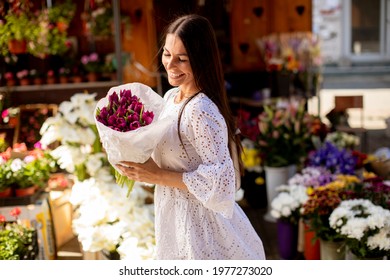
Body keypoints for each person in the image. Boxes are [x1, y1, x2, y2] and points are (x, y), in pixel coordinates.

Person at [116, 14, 266, 260]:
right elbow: (165, 160)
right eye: (167, 54)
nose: (170, 65)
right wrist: (127, 152)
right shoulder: (170, 99)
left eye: (182, 59)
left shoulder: (201, 110)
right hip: (173, 213)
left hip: (202, 225)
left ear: (201, 60)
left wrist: (157, 176)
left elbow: (222, 182)